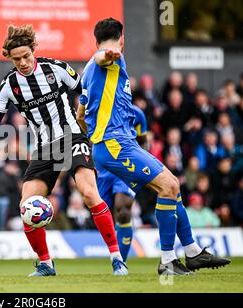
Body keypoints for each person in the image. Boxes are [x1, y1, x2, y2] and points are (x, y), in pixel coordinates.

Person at [0, 24, 128, 276]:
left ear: (33, 50)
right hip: (44, 148)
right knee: (26, 206)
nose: (23, 62)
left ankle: (116, 257)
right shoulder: (8, 85)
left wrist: (96, 122)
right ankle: (46, 263)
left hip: (72, 137)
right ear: (9, 58)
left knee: (90, 193)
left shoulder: (55, 68)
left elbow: (87, 92)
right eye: (17, 59)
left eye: (26, 56)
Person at [77, 17, 230, 275]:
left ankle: (191, 252)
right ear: (122, 38)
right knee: (169, 186)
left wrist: (95, 136)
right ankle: (168, 260)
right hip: (115, 144)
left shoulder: (89, 73)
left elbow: (80, 115)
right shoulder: (107, 59)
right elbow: (104, 56)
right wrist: (108, 53)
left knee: (172, 187)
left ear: (95, 39)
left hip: (114, 145)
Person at [94, 105, 147, 262]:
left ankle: (120, 261)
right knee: (103, 211)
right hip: (102, 168)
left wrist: (141, 169)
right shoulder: (95, 109)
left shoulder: (137, 114)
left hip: (125, 166)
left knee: (123, 210)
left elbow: (143, 142)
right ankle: (117, 247)